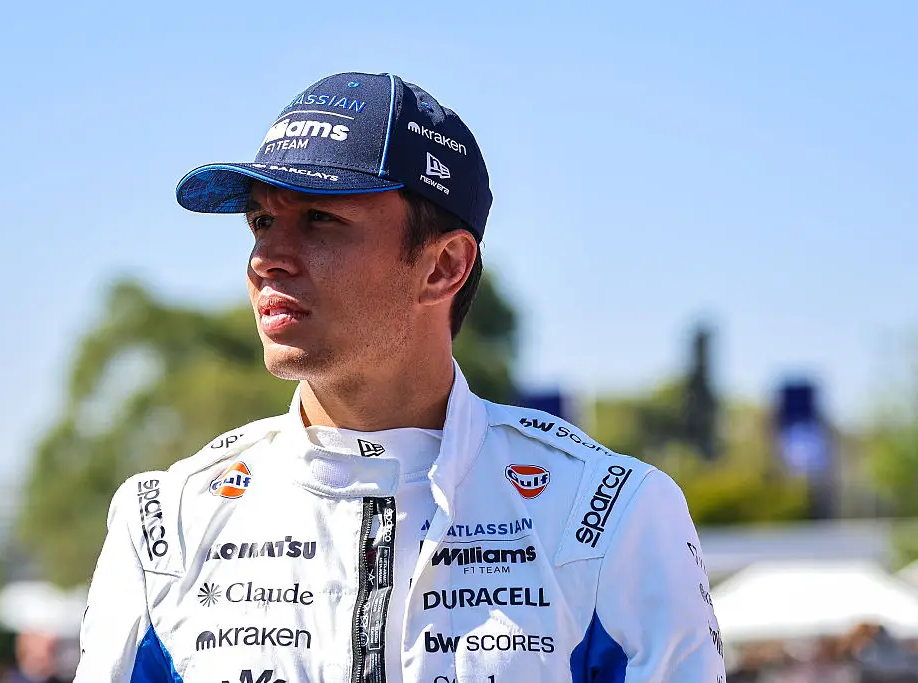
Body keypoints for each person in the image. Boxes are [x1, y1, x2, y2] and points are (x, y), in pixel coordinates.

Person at [75, 71, 727, 683]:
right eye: (262, 221)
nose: (267, 258)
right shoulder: (163, 522)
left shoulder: (610, 512)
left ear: (443, 265)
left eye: (319, 219)